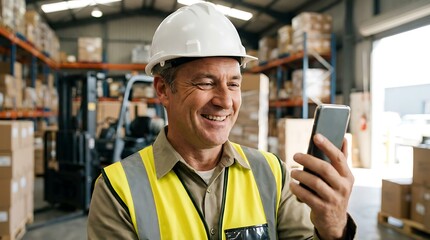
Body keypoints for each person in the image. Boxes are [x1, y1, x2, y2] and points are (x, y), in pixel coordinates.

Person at [87, 2, 356, 239]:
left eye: (234, 83)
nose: (226, 101)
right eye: (206, 83)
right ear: (163, 89)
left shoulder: (272, 173)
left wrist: (332, 230)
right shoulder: (118, 190)